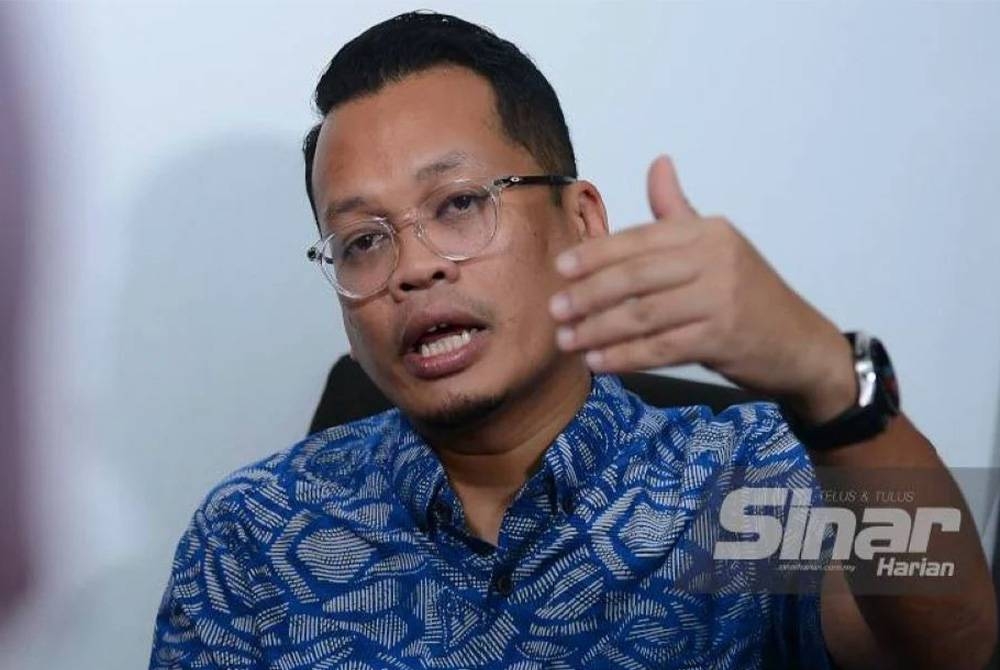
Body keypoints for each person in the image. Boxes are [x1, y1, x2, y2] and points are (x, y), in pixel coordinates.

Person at [149, 11, 996, 669]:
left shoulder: (745, 478)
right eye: (364, 240)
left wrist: (827, 378)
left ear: (581, 220)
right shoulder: (252, 531)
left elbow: (955, 648)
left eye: (459, 204)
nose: (412, 268)